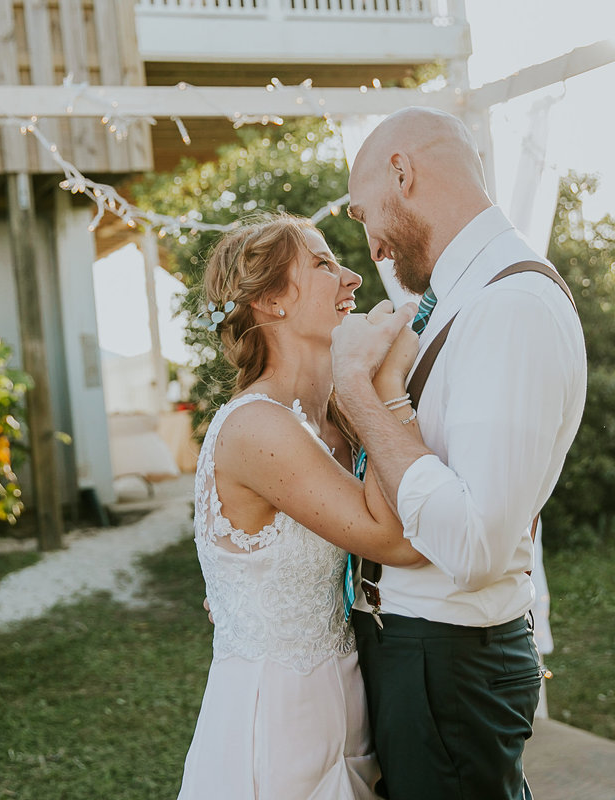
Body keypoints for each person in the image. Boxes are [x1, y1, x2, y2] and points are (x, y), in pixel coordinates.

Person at [331, 107, 587, 799]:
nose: (373, 248)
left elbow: (473, 546)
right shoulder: (466, 296)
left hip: (447, 661)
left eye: (363, 215)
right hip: (425, 656)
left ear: (403, 173)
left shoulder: (511, 307)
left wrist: (358, 393)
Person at [177, 213, 426, 800]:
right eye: (322, 264)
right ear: (269, 303)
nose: (353, 279)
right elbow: (397, 539)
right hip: (278, 717)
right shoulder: (259, 426)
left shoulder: (333, 416)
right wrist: (378, 384)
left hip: (348, 696)